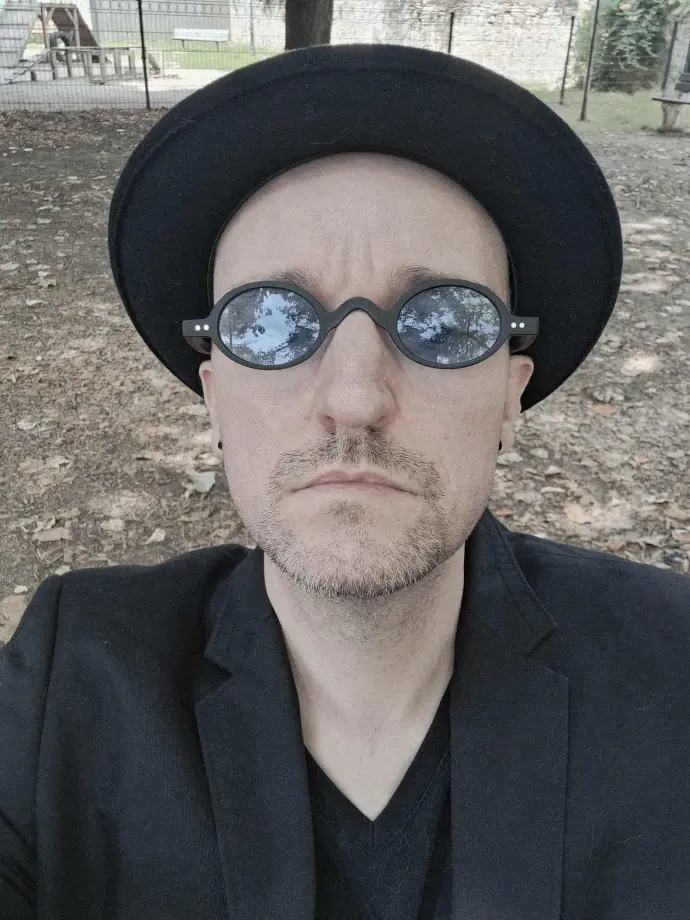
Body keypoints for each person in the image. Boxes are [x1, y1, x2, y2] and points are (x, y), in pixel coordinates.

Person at [1, 43, 688, 920]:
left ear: (509, 397)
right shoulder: (69, 681)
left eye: (441, 323)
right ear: (214, 394)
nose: (355, 400)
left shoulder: (673, 666)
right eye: (273, 322)